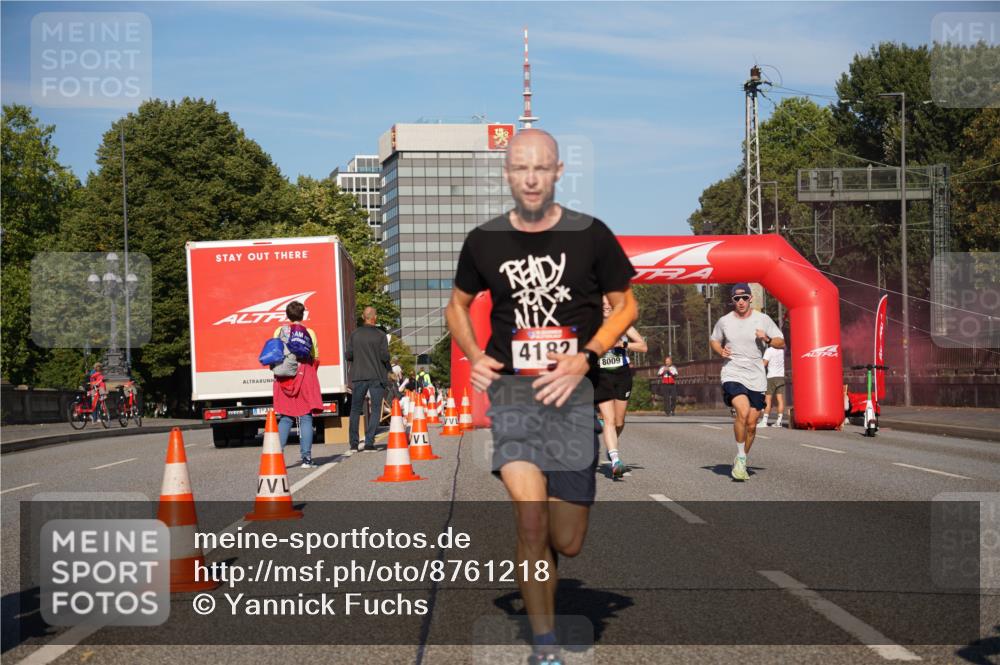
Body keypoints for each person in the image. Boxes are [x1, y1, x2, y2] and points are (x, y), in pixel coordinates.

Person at [446, 128, 637, 665]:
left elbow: (626, 307)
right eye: (520, 167)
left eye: (541, 167)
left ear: (557, 173)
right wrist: (472, 352)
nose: (530, 177)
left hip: (574, 401)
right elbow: (456, 307)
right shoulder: (484, 240)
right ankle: (546, 647)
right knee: (530, 521)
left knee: (567, 539)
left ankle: (544, 562)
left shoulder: (592, 236)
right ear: (507, 175)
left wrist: (587, 353)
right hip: (514, 399)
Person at [710, 283, 784, 481]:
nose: (741, 302)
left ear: (751, 298)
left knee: (752, 424)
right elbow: (714, 339)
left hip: (756, 375)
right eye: (736, 299)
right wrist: (720, 350)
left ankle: (741, 457)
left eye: (744, 298)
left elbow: (781, 342)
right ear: (732, 301)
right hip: (732, 371)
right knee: (742, 411)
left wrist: (766, 338)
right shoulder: (724, 321)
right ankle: (741, 459)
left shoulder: (763, 319)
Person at [594, 296, 647, 479]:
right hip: (601, 375)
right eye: (603, 305)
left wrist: (622, 344)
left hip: (622, 375)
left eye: (609, 305)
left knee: (619, 421)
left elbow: (643, 346)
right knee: (608, 420)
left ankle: (612, 446)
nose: (606, 308)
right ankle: (616, 460)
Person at [273, 301, 323, 468]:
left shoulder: (279, 331)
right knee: (305, 417)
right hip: (304, 375)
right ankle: (306, 459)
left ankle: (276, 457)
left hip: (284, 377)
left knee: (286, 417)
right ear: (303, 314)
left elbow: (275, 353)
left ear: (287, 315)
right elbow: (315, 357)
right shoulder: (310, 333)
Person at [346, 306, 390, 452]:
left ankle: (353, 443)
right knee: (376, 409)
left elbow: (349, 355)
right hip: (377, 375)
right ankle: (369, 442)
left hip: (359, 375)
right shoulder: (381, 335)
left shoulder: (355, 334)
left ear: (363, 317)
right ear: (374, 317)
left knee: (355, 409)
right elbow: (385, 357)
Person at [760, 345, 786, 428]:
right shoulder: (782, 351)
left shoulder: (769, 350)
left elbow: (764, 364)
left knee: (768, 400)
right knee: (780, 400)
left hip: (771, 377)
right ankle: (779, 421)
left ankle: (764, 421)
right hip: (781, 376)